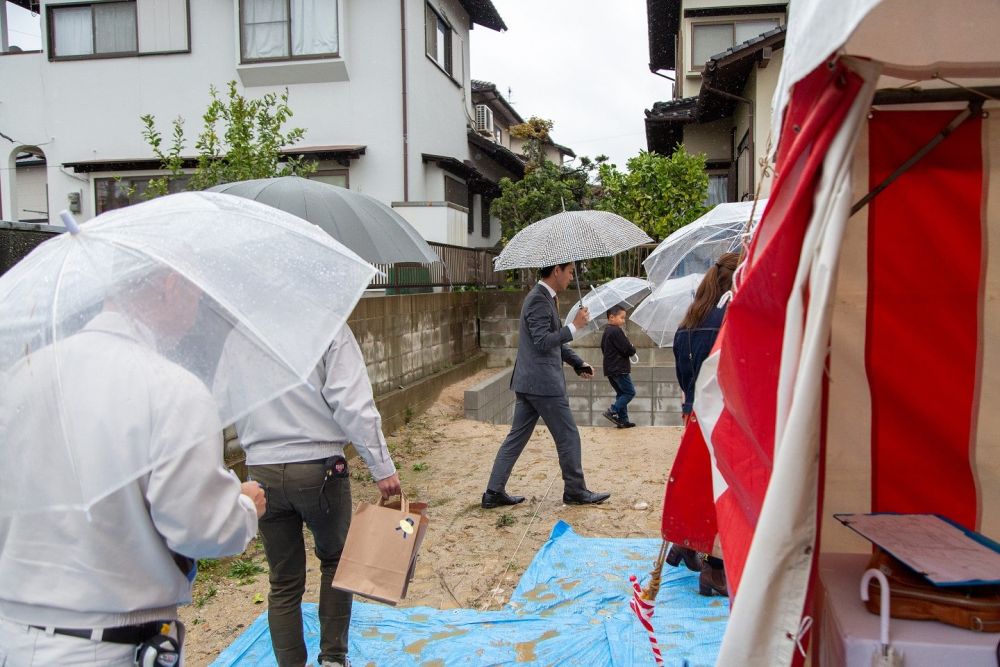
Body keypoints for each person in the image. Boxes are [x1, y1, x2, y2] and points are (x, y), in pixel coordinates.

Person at [0, 271, 264, 666]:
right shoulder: (171, 389)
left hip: (15, 635)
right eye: (194, 289)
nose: (197, 306)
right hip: (108, 643)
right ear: (169, 284)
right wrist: (242, 508)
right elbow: (202, 530)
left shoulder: (22, 377)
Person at [217, 324, 402, 667]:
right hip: (319, 467)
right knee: (336, 563)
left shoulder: (239, 334)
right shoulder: (326, 326)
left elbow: (221, 403)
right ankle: (333, 658)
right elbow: (353, 403)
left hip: (262, 470)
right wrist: (382, 468)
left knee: (283, 580)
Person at [482, 262, 611, 508]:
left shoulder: (544, 298)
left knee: (516, 437)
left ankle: (493, 492)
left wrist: (576, 362)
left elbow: (552, 342)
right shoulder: (539, 300)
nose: (572, 277)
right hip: (543, 385)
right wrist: (574, 326)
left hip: (530, 382)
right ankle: (575, 490)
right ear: (556, 271)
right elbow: (543, 342)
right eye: (570, 272)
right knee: (568, 435)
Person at [665, 251, 739, 597]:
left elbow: (683, 377)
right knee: (723, 490)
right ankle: (715, 568)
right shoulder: (731, 321)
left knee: (696, 481)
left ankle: (683, 543)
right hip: (723, 414)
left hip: (694, 412)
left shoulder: (687, 325)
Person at [600, 304, 638, 428]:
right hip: (619, 369)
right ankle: (612, 411)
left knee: (621, 393)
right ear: (611, 317)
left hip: (610, 369)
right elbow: (627, 349)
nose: (623, 320)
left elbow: (603, 348)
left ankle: (623, 420)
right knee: (629, 392)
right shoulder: (616, 331)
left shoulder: (606, 331)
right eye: (621, 318)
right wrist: (632, 348)